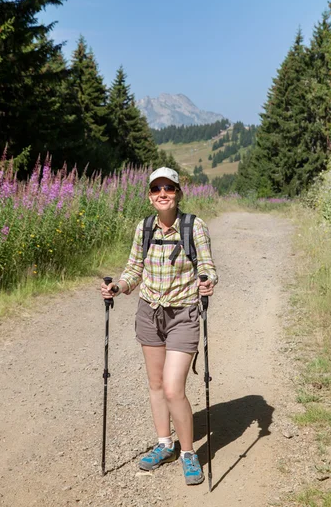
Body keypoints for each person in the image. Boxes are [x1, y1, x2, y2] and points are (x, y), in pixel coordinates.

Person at [101, 166, 218, 486]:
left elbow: (207, 266)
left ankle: (188, 452)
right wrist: (119, 287)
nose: (163, 193)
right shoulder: (145, 227)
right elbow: (133, 269)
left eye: (169, 188)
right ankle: (164, 443)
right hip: (149, 312)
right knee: (155, 385)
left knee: (172, 388)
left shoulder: (194, 226)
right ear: (150, 196)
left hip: (183, 314)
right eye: (156, 189)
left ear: (178, 192)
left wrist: (208, 282)